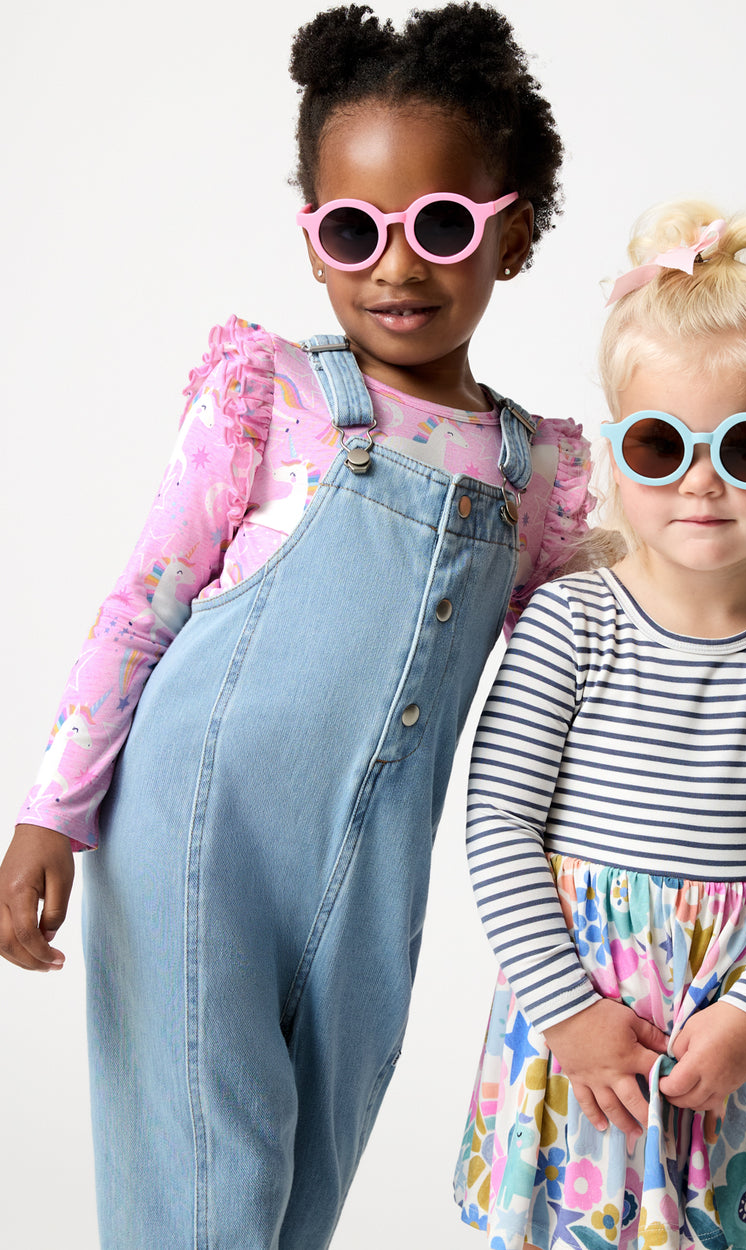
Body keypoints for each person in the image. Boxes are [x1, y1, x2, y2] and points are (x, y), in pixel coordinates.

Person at [0, 5, 594, 1246]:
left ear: (514, 231)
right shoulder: (272, 394)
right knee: (205, 1180)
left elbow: (588, 669)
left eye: (441, 226)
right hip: (195, 832)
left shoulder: (538, 475)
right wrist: (54, 810)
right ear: (314, 242)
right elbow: (145, 599)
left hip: (378, 876)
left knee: (301, 1188)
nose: (397, 267)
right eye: (353, 230)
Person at [454, 201, 746, 1249]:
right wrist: (568, 1013)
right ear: (614, 449)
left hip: (731, 1041)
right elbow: (499, 821)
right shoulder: (569, 624)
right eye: (660, 443)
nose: (701, 479)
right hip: (581, 1036)